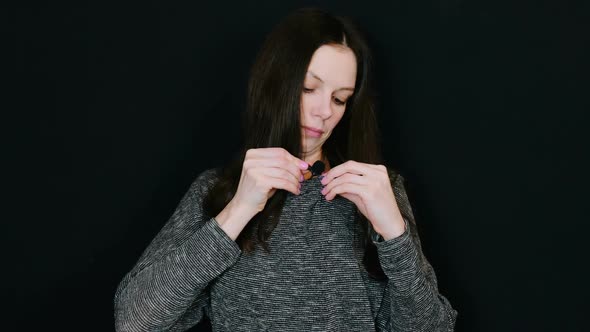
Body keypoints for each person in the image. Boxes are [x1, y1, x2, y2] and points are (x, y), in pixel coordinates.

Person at [114, 7, 457, 332]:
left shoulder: (376, 190)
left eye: (340, 99)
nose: (325, 111)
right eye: (309, 89)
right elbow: (134, 321)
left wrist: (395, 234)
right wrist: (238, 210)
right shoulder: (217, 190)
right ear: (276, 84)